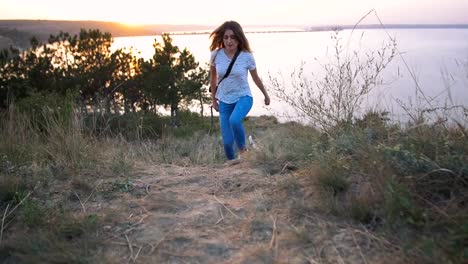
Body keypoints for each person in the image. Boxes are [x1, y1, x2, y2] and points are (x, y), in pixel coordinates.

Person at [209, 21, 270, 162]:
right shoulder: (215, 55)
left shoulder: (246, 56)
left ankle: (243, 151)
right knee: (227, 144)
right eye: (226, 37)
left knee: (235, 120)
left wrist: (265, 95)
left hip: (243, 97)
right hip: (224, 100)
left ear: (239, 38)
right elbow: (213, 78)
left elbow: (256, 78)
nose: (229, 41)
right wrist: (213, 99)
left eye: (233, 37)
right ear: (222, 39)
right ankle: (233, 166)